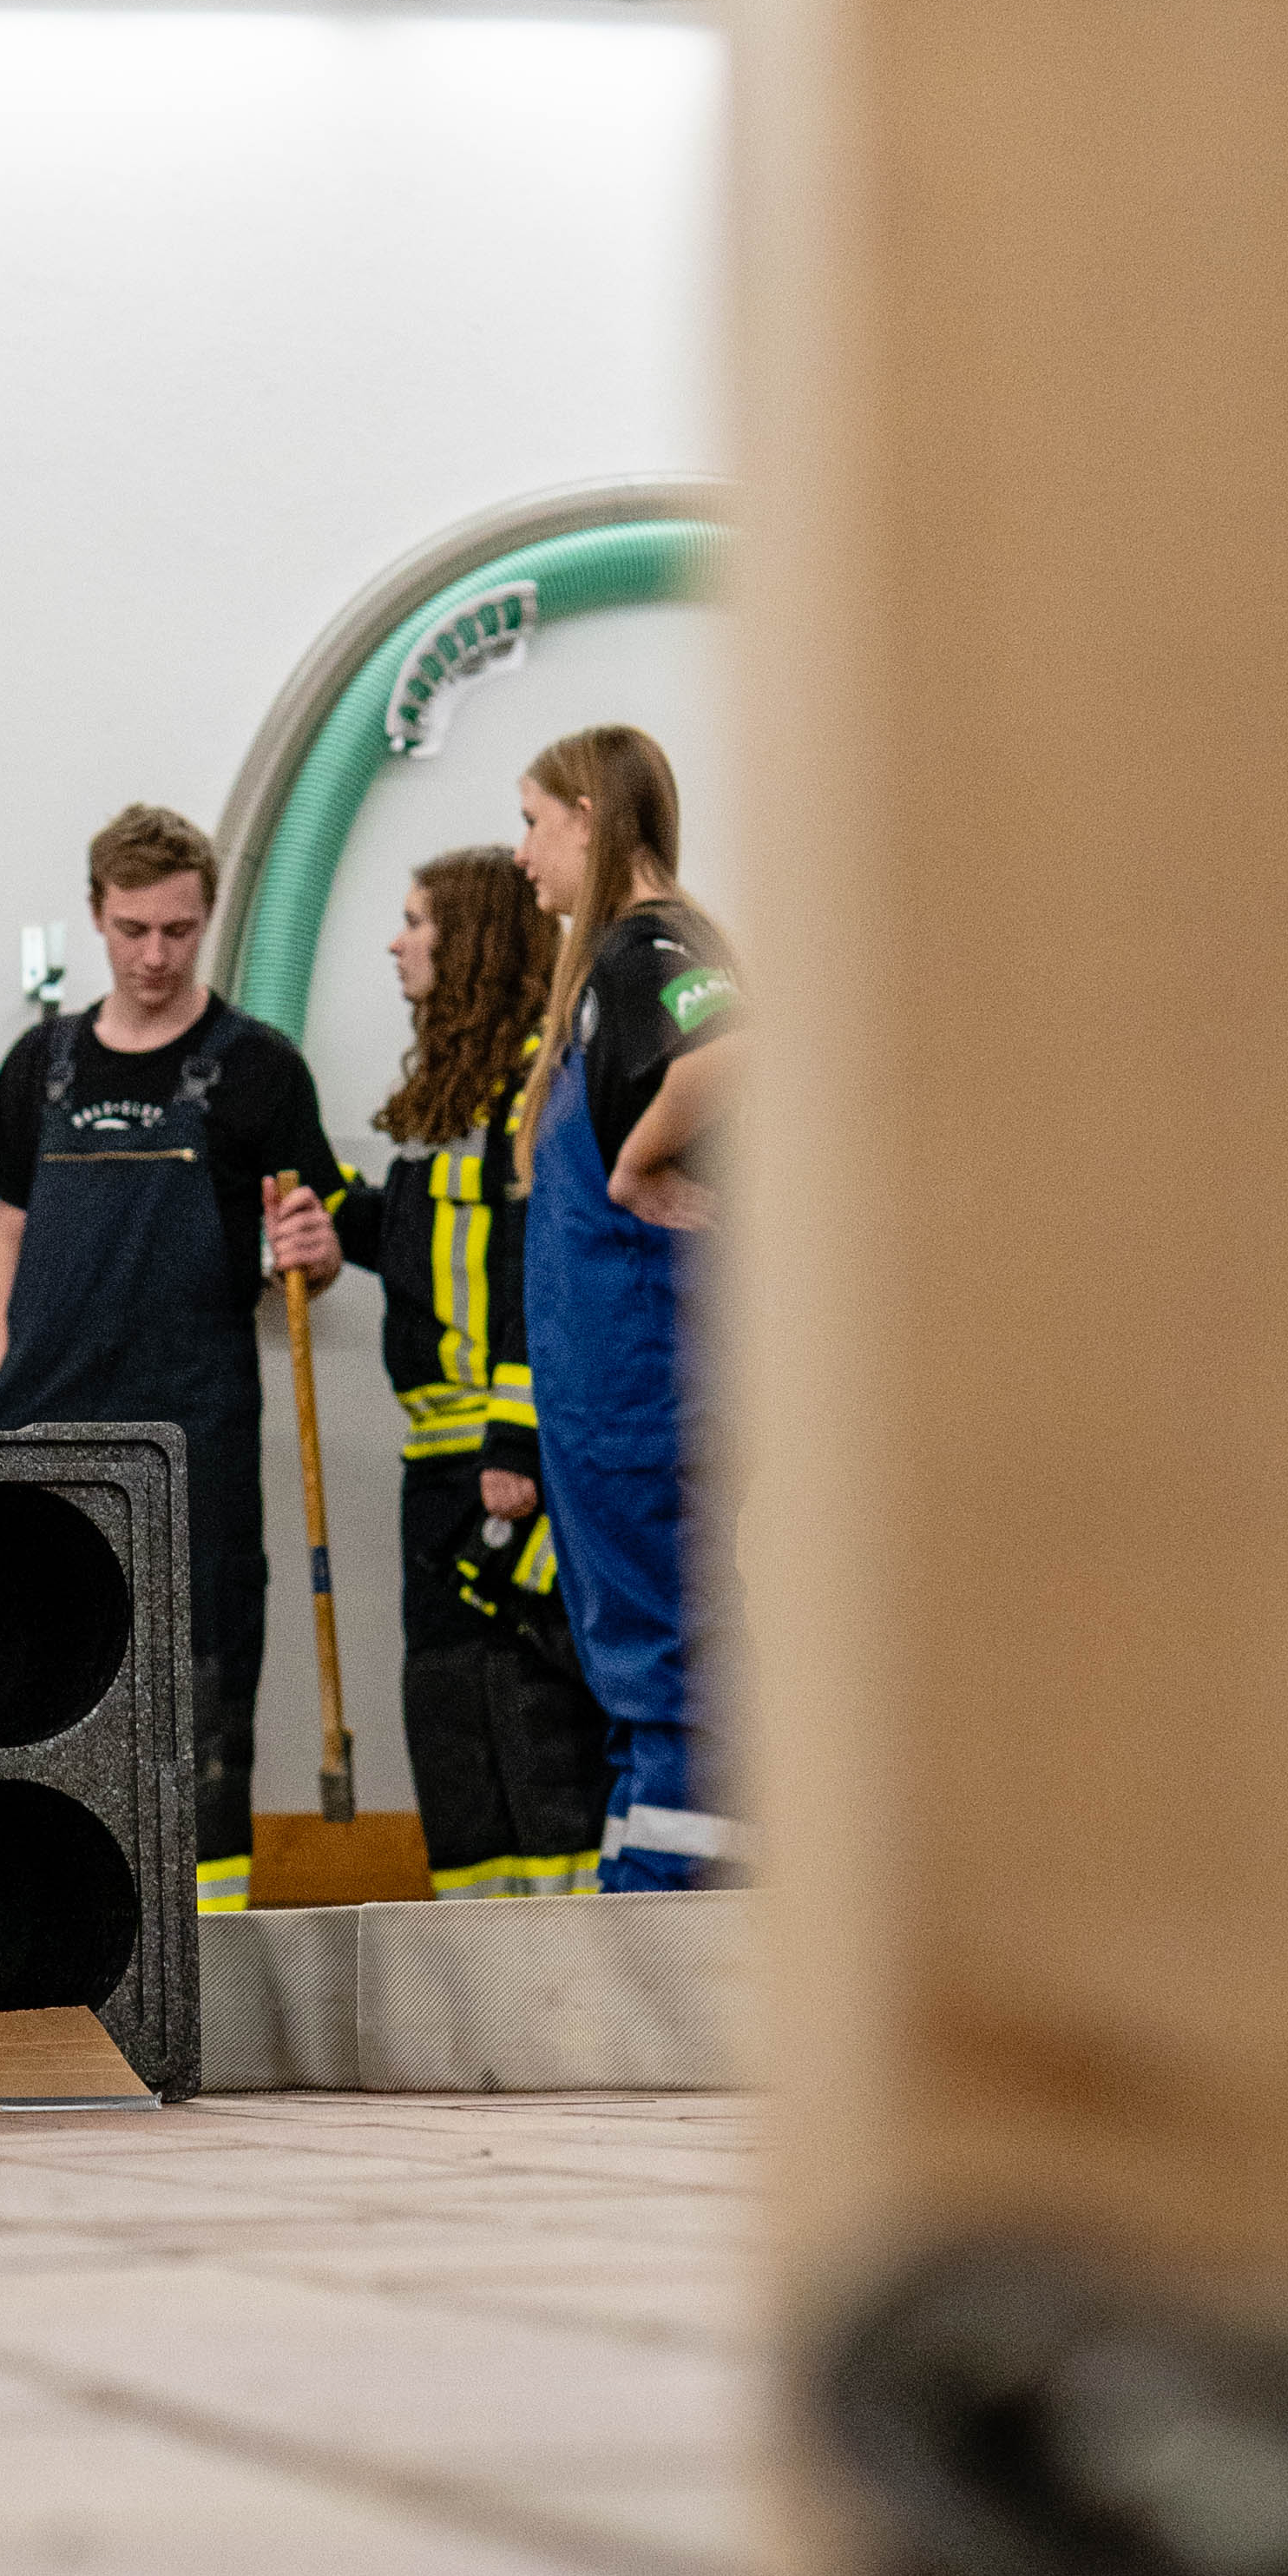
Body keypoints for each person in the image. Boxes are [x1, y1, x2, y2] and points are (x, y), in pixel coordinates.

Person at [0, 803, 346, 1914]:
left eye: (178, 931)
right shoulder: (41, 1065)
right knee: (35, 1681)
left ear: (207, 917)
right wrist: (4, 1390)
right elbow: (7, 1241)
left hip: (197, 1441)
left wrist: (318, 1255)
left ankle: (207, 1936)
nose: (154, 955)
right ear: (97, 915)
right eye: (133, 929)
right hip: (40, 1437)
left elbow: (307, 1252)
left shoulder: (261, 1071)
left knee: (201, 1688)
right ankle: (47, 1922)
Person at [265, 847, 616, 1895]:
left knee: (527, 1715)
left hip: (505, 1465)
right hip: (441, 1461)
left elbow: (534, 1272)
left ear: (469, 943)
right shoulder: (452, 1100)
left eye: (416, 921)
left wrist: (515, 1443)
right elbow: (426, 1242)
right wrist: (333, 1215)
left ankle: (562, 1952)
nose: (395, 943)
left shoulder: (538, 1087)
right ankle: (478, 1956)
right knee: (452, 1714)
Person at [509, 722, 743, 1892]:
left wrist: (638, 1165)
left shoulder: (653, 946)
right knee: (638, 1675)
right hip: (605, 1398)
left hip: (647, 1391)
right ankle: (629, 1924)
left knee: (673, 1670)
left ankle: (671, 1926)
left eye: (532, 822)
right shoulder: (611, 970)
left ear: (588, 819)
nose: (523, 854)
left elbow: (741, 1048)